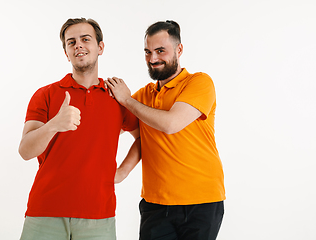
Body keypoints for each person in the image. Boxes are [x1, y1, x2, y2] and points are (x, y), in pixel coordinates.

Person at [18, 17, 139, 240]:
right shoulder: (46, 94)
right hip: (45, 212)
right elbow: (25, 150)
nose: (78, 45)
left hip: (99, 216)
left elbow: (143, 137)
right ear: (66, 52)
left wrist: (122, 172)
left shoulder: (118, 98)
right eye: (71, 42)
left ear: (100, 47)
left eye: (85, 39)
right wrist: (55, 124)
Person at [106, 20, 225, 240]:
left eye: (160, 51)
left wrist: (126, 100)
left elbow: (171, 124)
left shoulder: (199, 82)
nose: (153, 59)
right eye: (148, 52)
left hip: (202, 202)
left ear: (179, 49)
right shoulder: (143, 96)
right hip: (156, 204)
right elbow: (138, 137)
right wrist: (120, 172)